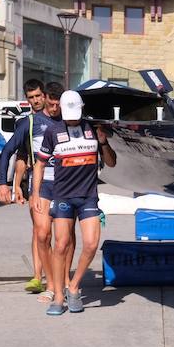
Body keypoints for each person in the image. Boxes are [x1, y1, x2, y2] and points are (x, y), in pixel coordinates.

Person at [34, 89, 116, 316]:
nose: (72, 118)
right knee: (61, 245)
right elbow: (40, 164)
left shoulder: (93, 128)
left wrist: (103, 143)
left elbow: (111, 163)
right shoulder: (53, 131)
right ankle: (59, 297)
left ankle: (73, 287)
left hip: (88, 196)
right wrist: (36, 193)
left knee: (91, 244)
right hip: (63, 196)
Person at [0, 79, 56, 296]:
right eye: (31, 97)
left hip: (61, 183)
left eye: (38, 96)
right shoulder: (26, 123)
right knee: (40, 231)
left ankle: (58, 276)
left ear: (45, 95)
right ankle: (38, 276)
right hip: (37, 181)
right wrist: (14, 185)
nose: (35, 100)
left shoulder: (59, 118)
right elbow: (21, 155)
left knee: (61, 232)